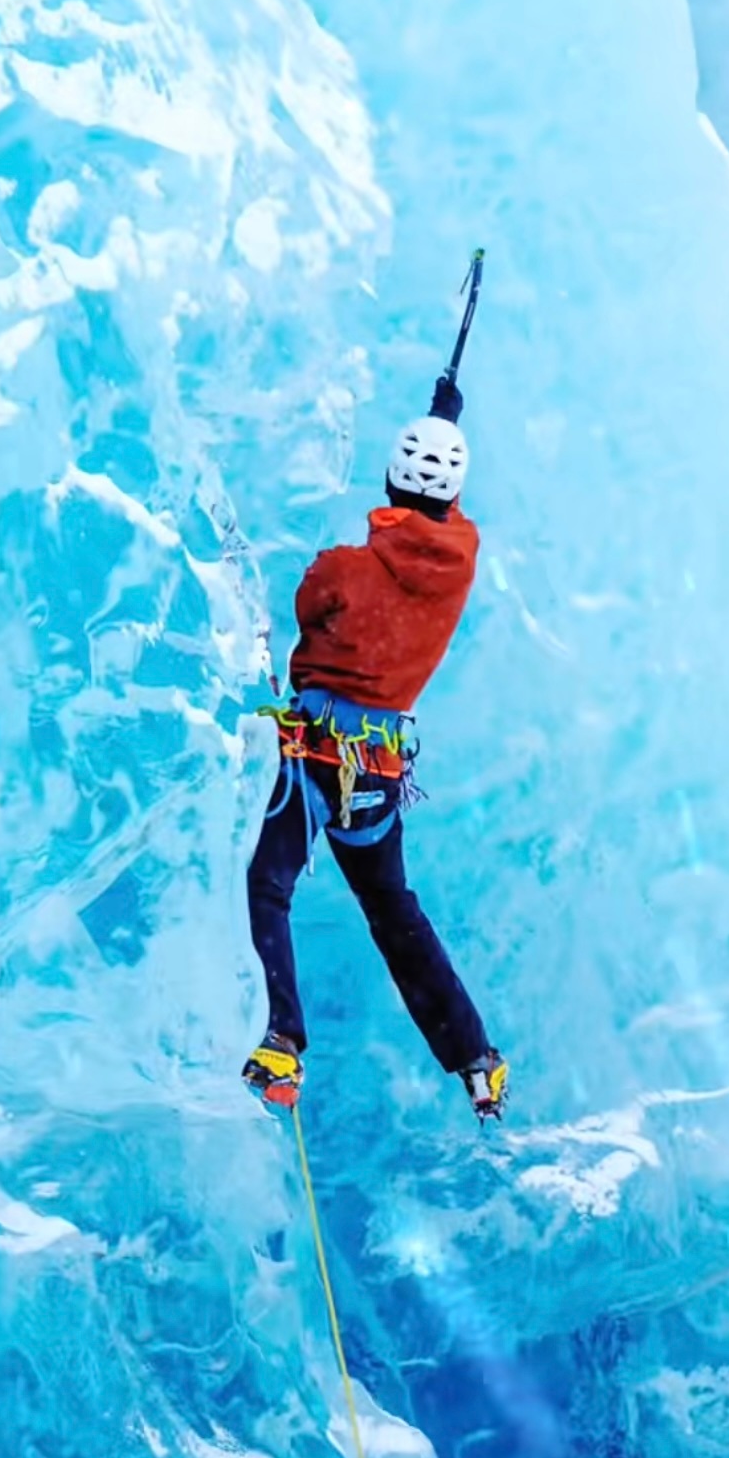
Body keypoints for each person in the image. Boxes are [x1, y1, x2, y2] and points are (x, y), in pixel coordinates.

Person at [243, 376, 507, 1122]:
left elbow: (310, 603)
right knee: (393, 913)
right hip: (377, 777)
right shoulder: (457, 571)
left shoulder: (348, 570)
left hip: (314, 757)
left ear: (391, 478)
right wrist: (445, 412)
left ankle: (280, 1040)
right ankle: (476, 1059)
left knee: (268, 883)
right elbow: (432, 509)